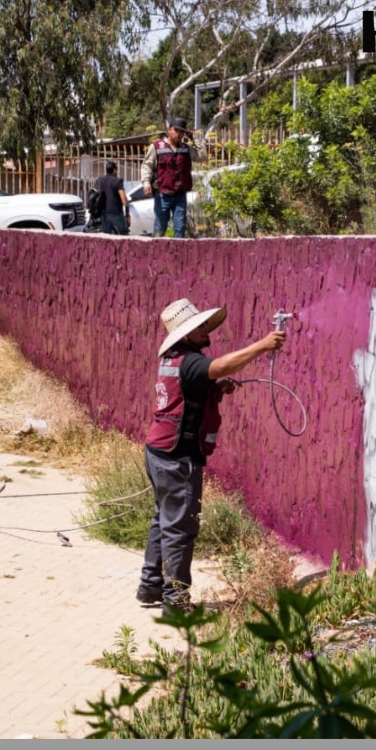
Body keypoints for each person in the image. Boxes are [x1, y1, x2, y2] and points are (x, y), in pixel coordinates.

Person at [137, 298, 284, 614]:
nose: (206, 330)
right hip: (177, 457)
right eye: (200, 326)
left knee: (163, 519)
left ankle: (150, 586)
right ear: (186, 334)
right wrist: (263, 345)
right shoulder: (191, 361)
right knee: (180, 528)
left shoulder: (173, 358)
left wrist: (216, 390)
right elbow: (220, 367)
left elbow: (188, 390)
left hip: (158, 451)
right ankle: (175, 602)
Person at [139, 117, 204, 239]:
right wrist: (146, 183)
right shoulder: (156, 146)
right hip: (162, 194)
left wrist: (195, 139)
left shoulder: (186, 149)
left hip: (180, 194)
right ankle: (157, 250)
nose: (178, 134)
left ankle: (178, 251)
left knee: (180, 227)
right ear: (169, 130)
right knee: (160, 227)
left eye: (182, 132)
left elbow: (203, 157)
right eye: (176, 130)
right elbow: (147, 166)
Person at [96, 160, 129, 236]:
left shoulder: (101, 180)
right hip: (116, 213)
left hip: (104, 214)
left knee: (107, 237)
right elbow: (124, 200)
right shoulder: (117, 181)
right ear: (114, 170)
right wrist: (127, 213)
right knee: (124, 236)